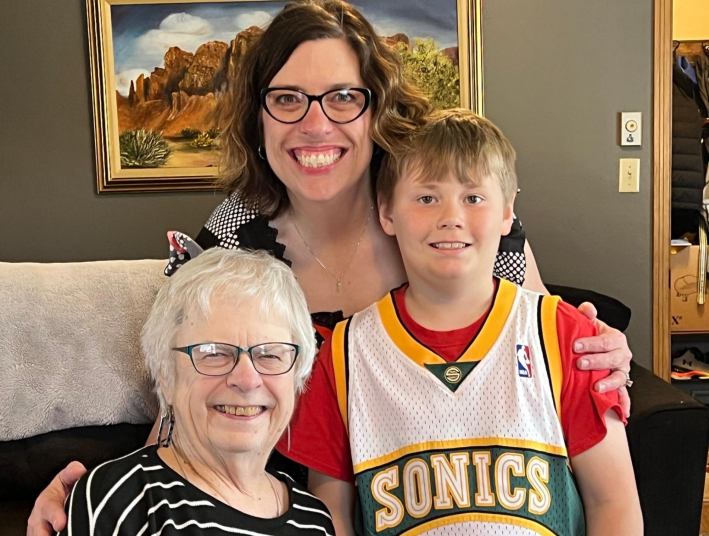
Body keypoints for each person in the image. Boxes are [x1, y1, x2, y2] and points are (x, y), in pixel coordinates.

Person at [27, 1, 634, 534]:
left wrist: (607, 356)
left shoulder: (440, 220)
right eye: (287, 99)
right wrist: (103, 500)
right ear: (258, 119)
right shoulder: (232, 233)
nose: (315, 123)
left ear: (377, 108)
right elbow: (184, 408)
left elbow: (542, 353)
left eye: (344, 97)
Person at [278, 109, 642, 535]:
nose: (450, 216)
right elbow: (332, 516)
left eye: (473, 198)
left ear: (507, 213)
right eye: (427, 197)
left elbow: (613, 503)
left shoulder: (565, 336)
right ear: (387, 212)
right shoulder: (342, 356)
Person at [58, 248, 335, 536]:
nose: (247, 379)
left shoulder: (315, 521)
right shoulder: (121, 500)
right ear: (167, 376)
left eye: (269, 355)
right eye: (214, 353)